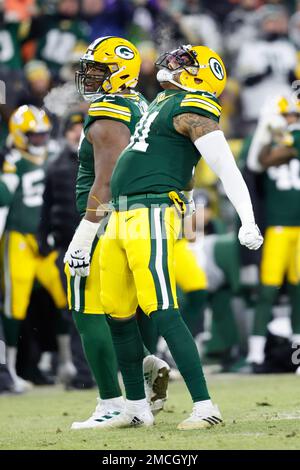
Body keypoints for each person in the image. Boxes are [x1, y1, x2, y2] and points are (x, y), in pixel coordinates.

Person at [72, 44, 263, 430]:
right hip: (120, 214)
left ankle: (205, 406)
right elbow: (183, 170)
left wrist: (247, 220)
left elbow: (227, 170)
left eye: (183, 62)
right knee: (118, 315)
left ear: (200, 74)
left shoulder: (194, 107)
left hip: (150, 213)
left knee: (164, 310)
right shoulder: (161, 101)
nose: (171, 63)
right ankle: (135, 406)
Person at [64, 36, 170, 429]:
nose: (89, 76)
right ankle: (141, 376)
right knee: (129, 307)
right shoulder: (139, 102)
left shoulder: (109, 110)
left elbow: (105, 183)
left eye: (97, 69)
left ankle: (112, 400)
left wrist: (82, 237)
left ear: (119, 71)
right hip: (134, 219)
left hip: (104, 221)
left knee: (89, 311)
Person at [0, 105, 70, 393]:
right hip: (18, 237)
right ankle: (11, 370)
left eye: (43, 134)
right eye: (34, 135)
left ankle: (67, 362)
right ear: (19, 134)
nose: (40, 140)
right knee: (14, 305)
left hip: (46, 240)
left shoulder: (54, 154)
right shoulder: (11, 161)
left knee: (65, 296)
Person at [246, 95, 300, 373]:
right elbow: (256, 162)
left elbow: (269, 158)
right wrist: (267, 129)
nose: (291, 120)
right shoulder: (270, 140)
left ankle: (297, 355)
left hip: (297, 228)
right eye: (288, 115)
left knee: (298, 291)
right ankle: (255, 355)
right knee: (267, 290)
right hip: (279, 226)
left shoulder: (291, 138)